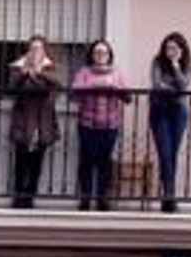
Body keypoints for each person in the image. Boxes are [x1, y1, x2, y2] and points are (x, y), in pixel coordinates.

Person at [71, 39, 132, 211]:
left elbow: (127, 98)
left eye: (104, 52)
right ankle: (85, 197)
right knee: (87, 160)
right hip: (87, 123)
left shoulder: (116, 73)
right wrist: (93, 85)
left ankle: (102, 198)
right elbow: (74, 94)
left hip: (110, 124)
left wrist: (114, 87)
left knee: (105, 161)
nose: (100, 55)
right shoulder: (84, 72)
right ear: (92, 54)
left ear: (109, 55)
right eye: (97, 52)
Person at [7, 36, 62, 209]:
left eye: (39, 48)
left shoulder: (51, 67)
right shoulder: (18, 67)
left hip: (42, 121)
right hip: (23, 120)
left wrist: (39, 73)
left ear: (44, 51)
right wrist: (24, 74)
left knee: (36, 162)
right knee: (21, 161)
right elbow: (12, 88)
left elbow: (54, 89)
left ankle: (30, 197)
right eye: (32, 48)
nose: (35, 52)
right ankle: (18, 197)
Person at [148, 33, 191, 212]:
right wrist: (175, 90)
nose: (170, 51)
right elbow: (157, 85)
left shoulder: (186, 64)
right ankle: (169, 195)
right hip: (159, 111)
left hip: (178, 113)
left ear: (181, 50)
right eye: (168, 47)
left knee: (172, 153)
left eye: (174, 48)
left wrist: (175, 66)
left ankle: (168, 195)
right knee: (165, 153)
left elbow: (184, 85)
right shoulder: (157, 62)